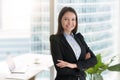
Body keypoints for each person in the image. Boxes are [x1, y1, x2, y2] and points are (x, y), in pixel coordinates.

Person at [49, 6, 97, 80]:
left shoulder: (79, 37)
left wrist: (73, 65)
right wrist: (83, 66)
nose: (70, 22)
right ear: (60, 20)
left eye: (73, 19)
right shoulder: (55, 39)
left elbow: (94, 60)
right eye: (66, 19)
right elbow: (61, 70)